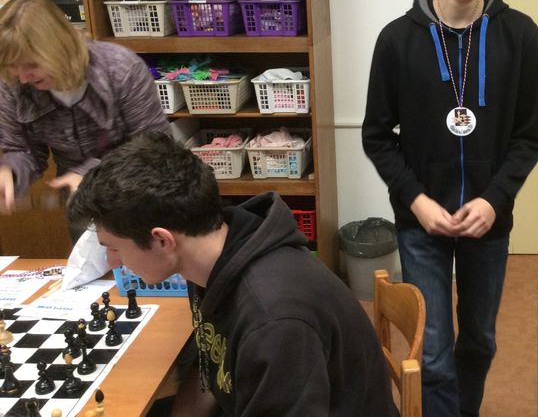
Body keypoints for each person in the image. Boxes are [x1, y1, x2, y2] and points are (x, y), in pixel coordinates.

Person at [362, 0, 538, 416]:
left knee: (481, 342)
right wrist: (417, 200)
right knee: (435, 352)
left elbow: (530, 136)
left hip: (489, 221)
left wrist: (494, 199)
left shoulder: (521, 36)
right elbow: (377, 135)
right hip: (422, 223)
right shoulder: (397, 40)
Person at [66, 131, 397, 417]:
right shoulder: (210, 260)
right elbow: (214, 374)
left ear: (162, 240)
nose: (112, 262)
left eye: (114, 248)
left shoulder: (274, 321)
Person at [0, 0, 170, 236]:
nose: (23, 77)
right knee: (87, 259)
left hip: (139, 195)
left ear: (59, 47)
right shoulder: (13, 84)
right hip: (79, 201)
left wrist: (90, 174)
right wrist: (10, 171)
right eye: (12, 66)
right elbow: (22, 149)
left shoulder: (121, 69)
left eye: (32, 64)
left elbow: (155, 146)